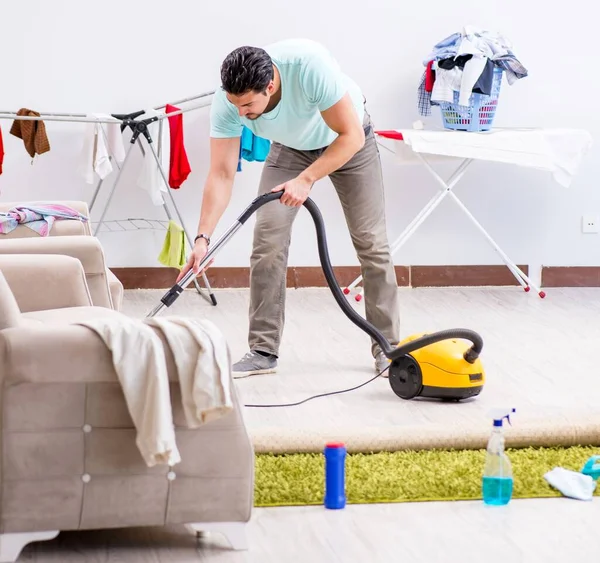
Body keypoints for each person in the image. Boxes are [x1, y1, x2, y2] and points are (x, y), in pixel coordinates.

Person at [178, 38, 400, 377]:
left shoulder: (309, 67)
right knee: (267, 241)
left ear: (270, 85)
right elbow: (221, 174)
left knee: (371, 242)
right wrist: (202, 239)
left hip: (349, 141)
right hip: (293, 148)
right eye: (235, 105)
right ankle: (263, 350)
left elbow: (351, 136)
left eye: (248, 106)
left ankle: (389, 348)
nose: (241, 114)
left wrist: (307, 179)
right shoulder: (227, 102)